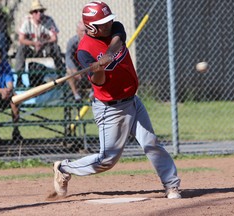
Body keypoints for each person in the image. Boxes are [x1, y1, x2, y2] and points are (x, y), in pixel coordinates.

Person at [51, 1, 181, 199]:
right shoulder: (84, 51)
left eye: (108, 20)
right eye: (103, 22)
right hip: (109, 108)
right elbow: (99, 82)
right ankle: (64, 168)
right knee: (107, 160)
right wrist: (98, 69)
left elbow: (117, 41)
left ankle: (171, 185)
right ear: (92, 27)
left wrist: (108, 56)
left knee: (151, 142)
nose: (109, 24)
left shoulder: (115, 28)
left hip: (132, 100)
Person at [14, 0, 64, 86]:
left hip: (44, 47)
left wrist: (42, 43)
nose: (39, 13)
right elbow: (21, 39)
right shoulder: (27, 21)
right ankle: (19, 78)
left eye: (41, 11)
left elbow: (54, 38)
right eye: (35, 11)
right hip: (31, 49)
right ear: (32, 13)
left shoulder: (48, 20)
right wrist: (34, 43)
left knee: (55, 47)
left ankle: (60, 74)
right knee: (21, 48)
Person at [0, 44, 22, 144]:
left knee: (15, 98)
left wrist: (8, 91)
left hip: (4, 95)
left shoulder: (5, 65)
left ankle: (16, 130)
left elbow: (10, 84)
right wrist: (0, 91)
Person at [65, 20, 92, 102]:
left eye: (86, 31)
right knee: (69, 72)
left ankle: (93, 92)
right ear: (77, 31)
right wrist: (74, 69)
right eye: (82, 31)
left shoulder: (91, 41)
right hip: (76, 68)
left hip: (88, 67)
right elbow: (68, 57)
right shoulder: (72, 42)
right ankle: (76, 95)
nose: (84, 33)